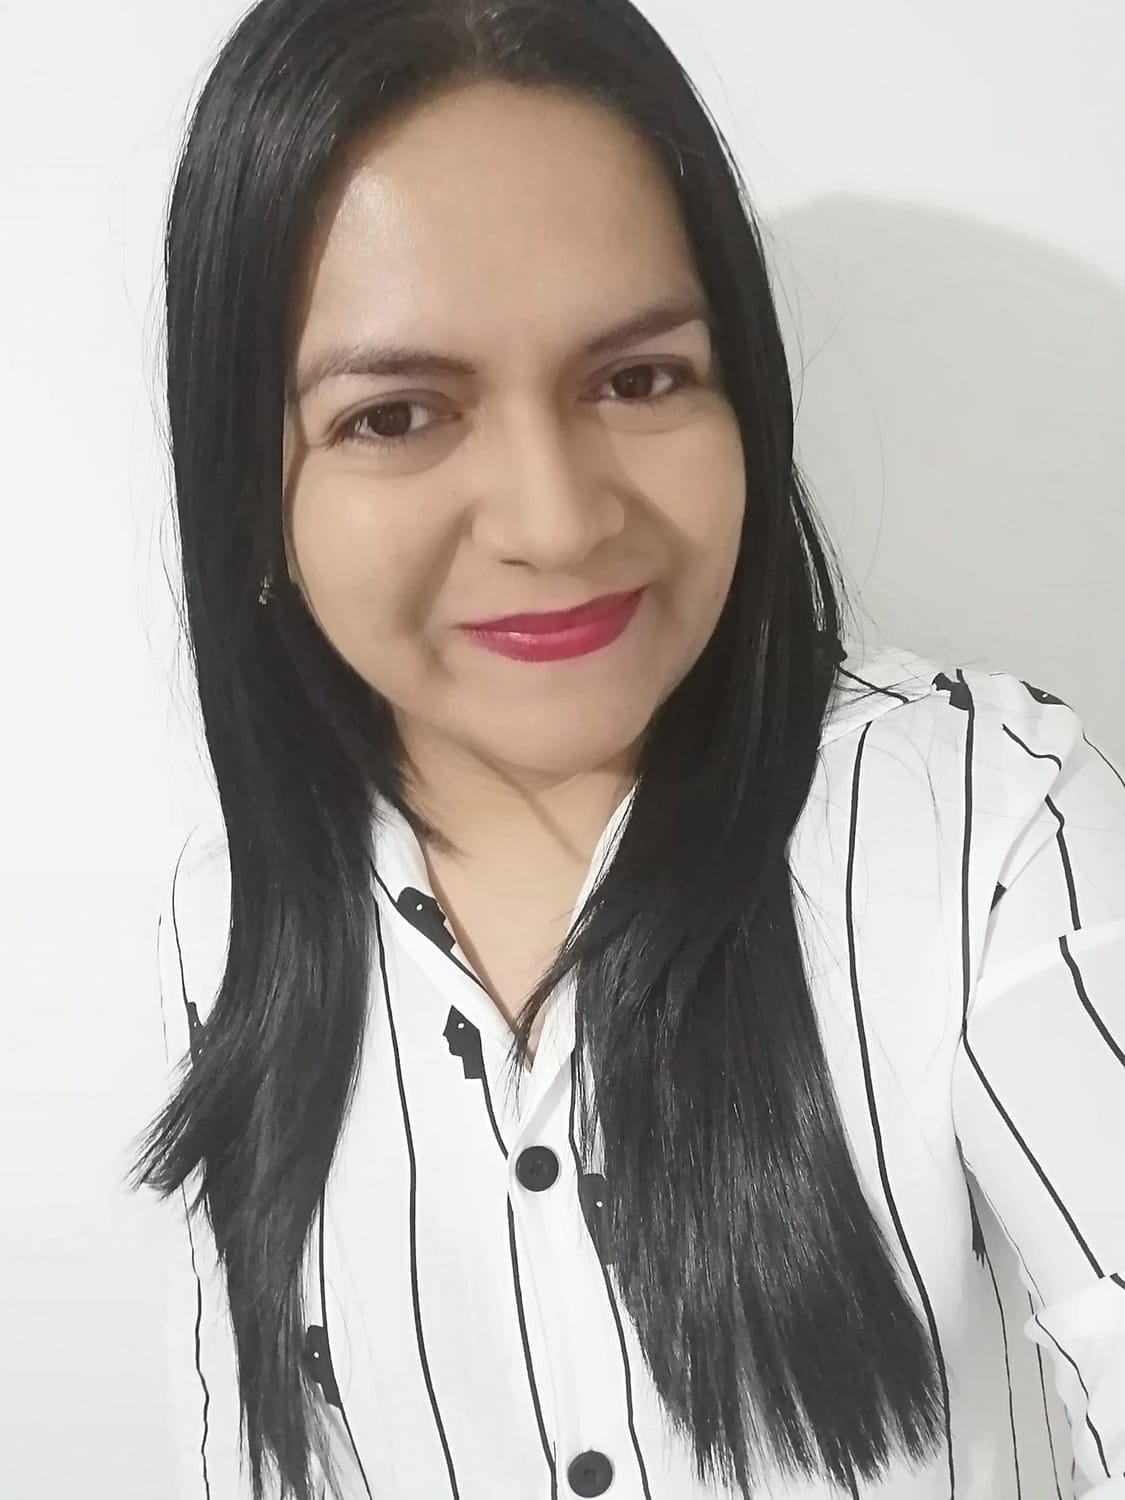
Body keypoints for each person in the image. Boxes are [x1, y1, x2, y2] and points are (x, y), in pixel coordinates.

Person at [130, 1, 1125, 1497]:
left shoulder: (985, 826)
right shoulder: (226, 912)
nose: (554, 521)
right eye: (395, 415)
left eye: (638, 378)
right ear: (251, 493)